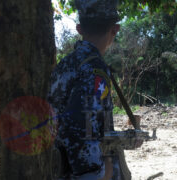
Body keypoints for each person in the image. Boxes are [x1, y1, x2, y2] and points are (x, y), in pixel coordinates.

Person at [48, 0, 131, 179]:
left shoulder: (66, 64)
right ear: (115, 30)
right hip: (85, 172)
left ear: (79, 29)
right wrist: (97, 173)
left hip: (63, 168)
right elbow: (80, 128)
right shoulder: (95, 69)